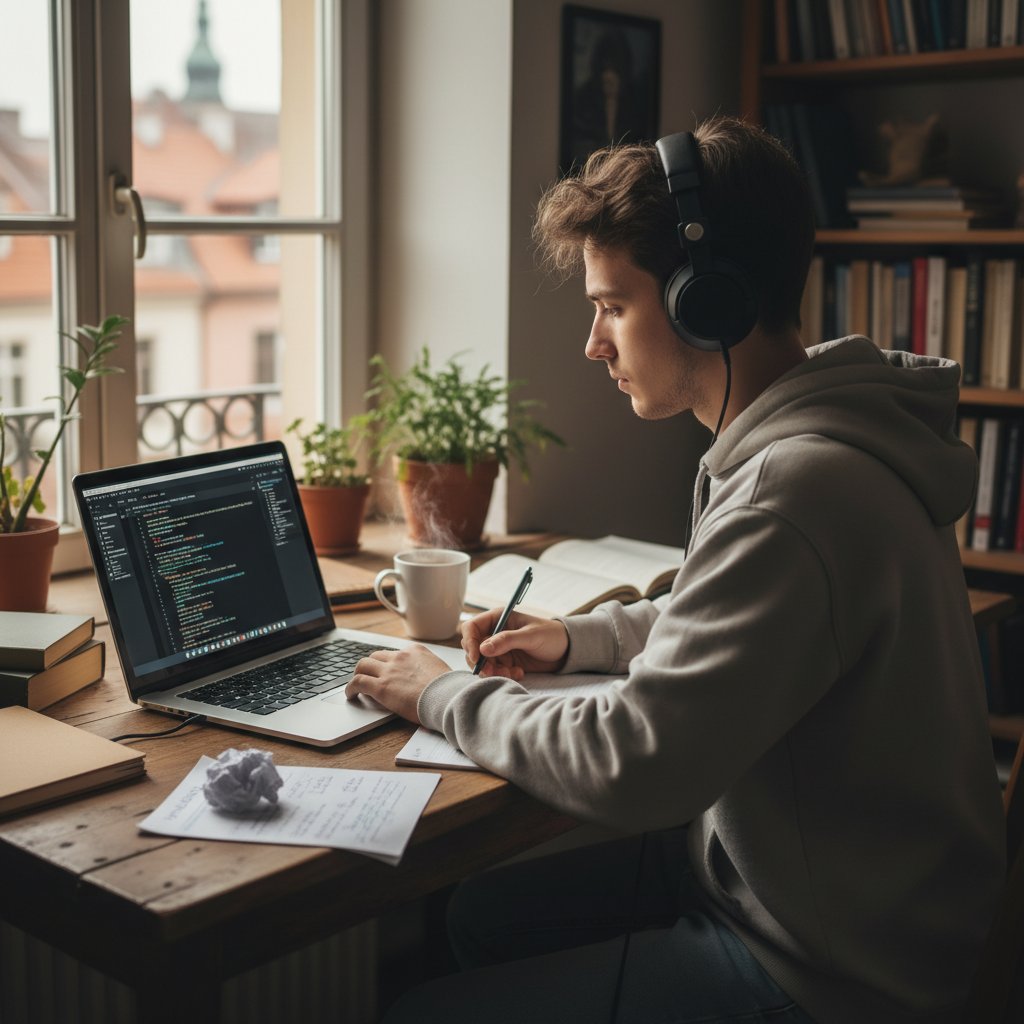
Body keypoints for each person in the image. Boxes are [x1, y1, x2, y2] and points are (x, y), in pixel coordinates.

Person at [346, 116, 1006, 1024]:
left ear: (710, 302)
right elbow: (734, 616)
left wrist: (440, 695)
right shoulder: (834, 436)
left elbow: (634, 763)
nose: (594, 343)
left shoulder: (793, 492)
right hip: (816, 894)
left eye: (613, 307)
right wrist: (576, 639)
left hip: (831, 973)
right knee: (480, 914)